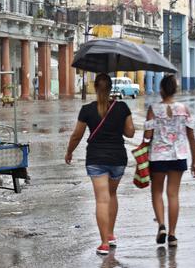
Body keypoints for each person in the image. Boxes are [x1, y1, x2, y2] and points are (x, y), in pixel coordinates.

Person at [65, 73, 135, 255]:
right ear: (111, 88)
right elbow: (130, 133)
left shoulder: (87, 110)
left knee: (102, 199)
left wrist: (69, 152)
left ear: (95, 88)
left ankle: (104, 243)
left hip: (96, 158)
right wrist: (119, 119)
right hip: (118, 158)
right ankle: (110, 234)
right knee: (112, 195)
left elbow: (76, 135)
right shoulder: (121, 107)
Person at [143, 75, 195, 247]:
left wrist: (142, 149)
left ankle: (161, 226)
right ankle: (173, 235)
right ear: (175, 90)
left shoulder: (153, 109)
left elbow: (147, 137)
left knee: (157, 192)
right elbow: (191, 136)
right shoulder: (184, 109)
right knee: (173, 194)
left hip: (158, 157)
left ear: (161, 90)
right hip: (178, 156)